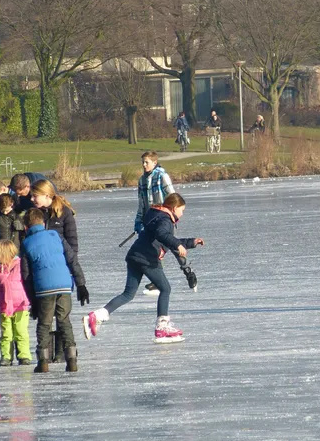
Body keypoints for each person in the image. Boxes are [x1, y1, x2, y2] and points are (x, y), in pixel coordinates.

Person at [83, 193, 204, 343]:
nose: (182, 213)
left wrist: (191, 242)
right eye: (182, 210)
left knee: (128, 294)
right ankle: (162, 327)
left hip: (135, 256)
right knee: (165, 288)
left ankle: (97, 316)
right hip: (147, 259)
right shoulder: (165, 220)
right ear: (174, 208)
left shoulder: (157, 216)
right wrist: (178, 244)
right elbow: (163, 235)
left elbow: (166, 240)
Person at [20, 208, 88, 373]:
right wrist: (81, 284)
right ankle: (71, 359)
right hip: (64, 285)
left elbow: (26, 276)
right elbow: (72, 260)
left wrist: (32, 301)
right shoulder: (56, 236)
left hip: (43, 289)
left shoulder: (26, 243)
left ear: (26, 227)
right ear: (43, 223)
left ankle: (43, 361)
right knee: (64, 321)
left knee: (44, 324)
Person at [134, 152, 196, 294]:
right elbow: (141, 204)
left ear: (154, 163)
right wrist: (138, 222)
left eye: (146, 162)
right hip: (150, 221)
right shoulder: (142, 180)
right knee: (154, 249)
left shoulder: (162, 176)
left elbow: (173, 197)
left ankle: (188, 271)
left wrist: (172, 215)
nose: (144, 165)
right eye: (142, 162)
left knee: (173, 245)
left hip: (164, 218)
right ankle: (156, 280)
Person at [0, 239, 32, 366]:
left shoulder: (20, 265)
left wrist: (31, 300)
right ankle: (6, 356)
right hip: (4, 306)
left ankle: (24, 355)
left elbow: (27, 282)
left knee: (21, 332)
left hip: (21, 305)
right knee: (7, 333)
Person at [31, 180, 78, 254]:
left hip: (59, 257)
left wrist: (72, 259)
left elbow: (72, 240)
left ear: (46, 195)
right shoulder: (33, 213)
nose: (31, 199)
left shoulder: (64, 211)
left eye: (35, 196)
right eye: (31, 196)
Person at [0, 194, 24, 266]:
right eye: (2, 210)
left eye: (6, 210)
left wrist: (21, 226)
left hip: (15, 253)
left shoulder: (19, 216)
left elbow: (23, 236)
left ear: (12, 204)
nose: (5, 213)